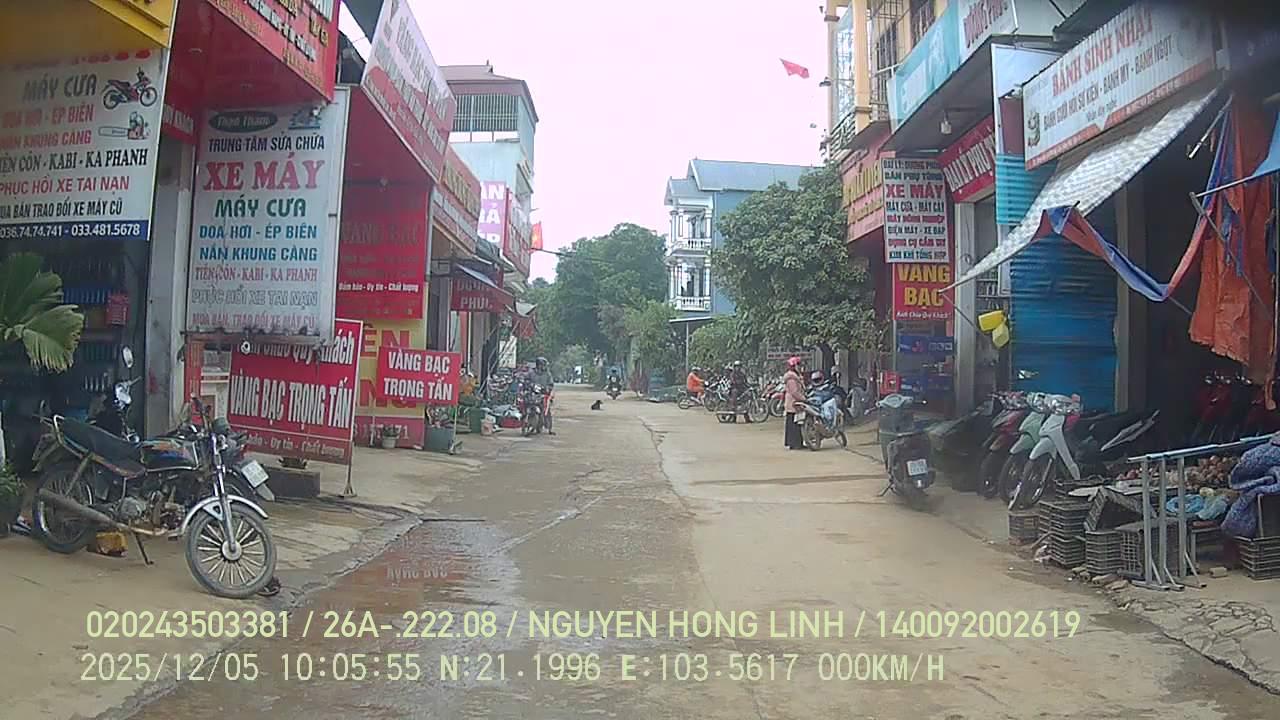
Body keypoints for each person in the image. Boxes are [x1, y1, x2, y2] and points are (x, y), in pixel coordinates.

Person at [783, 357, 806, 449]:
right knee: (794, 425)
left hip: (794, 403)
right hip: (793, 403)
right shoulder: (791, 378)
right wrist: (803, 399)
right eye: (798, 365)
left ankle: (795, 443)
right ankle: (795, 443)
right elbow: (794, 392)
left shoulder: (795, 376)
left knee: (794, 424)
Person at [529, 357, 556, 434]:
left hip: (544, 394)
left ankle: (550, 428)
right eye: (542, 365)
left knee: (547, 410)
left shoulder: (547, 374)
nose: (544, 366)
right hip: (533, 393)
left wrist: (547, 389)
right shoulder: (531, 373)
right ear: (538, 365)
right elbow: (526, 379)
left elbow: (551, 384)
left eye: (544, 365)